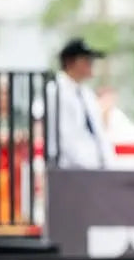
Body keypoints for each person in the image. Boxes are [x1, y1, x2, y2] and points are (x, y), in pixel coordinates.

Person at [48, 37, 115, 169]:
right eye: (86, 60)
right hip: (70, 170)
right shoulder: (56, 92)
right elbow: (67, 141)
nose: (90, 64)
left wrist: (106, 162)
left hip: (94, 167)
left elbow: (99, 133)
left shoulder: (86, 94)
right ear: (70, 62)